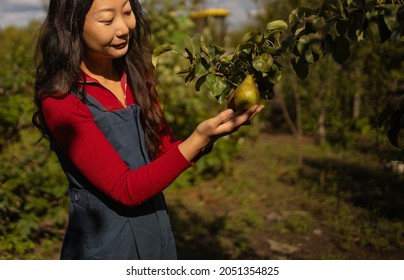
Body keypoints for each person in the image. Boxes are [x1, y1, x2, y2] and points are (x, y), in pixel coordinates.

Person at [32, 0, 264, 260]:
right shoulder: (62, 101)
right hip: (106, 247)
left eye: (128, 12)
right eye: (107, 20)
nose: (123, 28)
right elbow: (125, 188)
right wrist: (199, 138)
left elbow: (163, 153)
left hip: (155, 232)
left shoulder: (136, 76)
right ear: (71, 27)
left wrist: (210, 137)